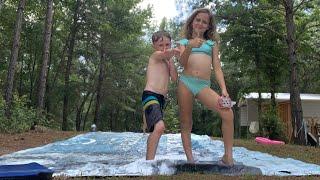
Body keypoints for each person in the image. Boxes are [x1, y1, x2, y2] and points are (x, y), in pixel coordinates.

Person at [177, 8, 234, 166]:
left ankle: (228, 156)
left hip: (203, 86)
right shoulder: (183, 42)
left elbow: (217, 68)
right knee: (186, 121)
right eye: (198, 20)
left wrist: (223, 89)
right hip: (186, 83)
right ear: (192, 22)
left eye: (204, 22)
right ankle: (190, 158)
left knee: (227, 113)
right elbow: (182, 63)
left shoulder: (212, 44)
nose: (200, 23)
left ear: (209, 26)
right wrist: (190, 45)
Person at [142, 30, 179, 160]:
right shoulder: (155, 56)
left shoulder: (167, 61)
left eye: (167, 44)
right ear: (154, 46)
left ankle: (148, 159)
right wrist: (180, 50)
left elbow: (174, 78)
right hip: (150, 95)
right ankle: (148, 163)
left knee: (156, 130)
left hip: (160, 100)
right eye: (160, 45)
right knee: (160, 126)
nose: (164, 48)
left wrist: (171, 63)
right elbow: (165, 53)